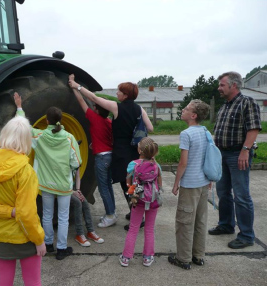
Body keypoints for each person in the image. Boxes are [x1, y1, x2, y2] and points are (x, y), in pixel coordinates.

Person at [68, 78, 154, 230]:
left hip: (121, 153)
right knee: (133, 184)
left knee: (126, 185)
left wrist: (77, 85)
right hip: (134, 152)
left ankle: (137, 217)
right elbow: (150, 128)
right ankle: (135, 211)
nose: (117, 93)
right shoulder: (140, 109)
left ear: (125, 95)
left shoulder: (116, 108)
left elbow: (94, 98)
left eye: (119, 91)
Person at [0, 116, 46, 286]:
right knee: (33, 282)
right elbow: (26, 213)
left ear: (4, 135)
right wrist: (39, 239)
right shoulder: (25, 170)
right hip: (25, 237)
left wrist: (7, 212)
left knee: (4, 282)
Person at [14, 92, 82, 260]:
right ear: (61, 119)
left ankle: (48, 243)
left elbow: (24, 127)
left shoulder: (40, 136)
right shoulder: (70, 138)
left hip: (45, 184)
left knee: (46, 215)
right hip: (64, 185)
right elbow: (76, 162)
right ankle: (61, 249)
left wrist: (19, 107)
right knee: (63, 217)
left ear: (46, 120)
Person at [209, 71, 262, 249]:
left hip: (238, 154)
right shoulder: (225, 106)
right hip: (222, 154)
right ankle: (226, 224)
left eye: (222, 85)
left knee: (241, 195)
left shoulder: (247, 102)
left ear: (234, 85)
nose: (219, 88)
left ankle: (247, 235)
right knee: (223, 192)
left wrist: (245, 150)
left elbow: (253, 128)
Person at [167, 100, 211, 270]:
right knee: (200, 220)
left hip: (190, 184)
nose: (182, 110)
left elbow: (183, 163)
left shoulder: (186, 133)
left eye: (186, 109)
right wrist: (210, 180)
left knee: (185, 222)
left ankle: (183, 258)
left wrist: (176, 183)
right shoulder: (206, 131)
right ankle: (198, 256)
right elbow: (208, 157)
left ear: (193, 116)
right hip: (203, 183)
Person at [69, 74, 117, 227]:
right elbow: (109, 139)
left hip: (101, 158)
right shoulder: (108, 122)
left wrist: (74, 87)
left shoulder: (94, 118)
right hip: (110, 156)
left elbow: (82, 102)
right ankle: (112, 212)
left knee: (103, 188)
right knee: (108, 186)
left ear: (96, 110)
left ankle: (110, 215)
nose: (93, 107)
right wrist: (94, 144)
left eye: (94, 106)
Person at [119, 137, 160, 267]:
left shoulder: (133, 164)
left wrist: (132, 191)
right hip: (153, 200)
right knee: (149, 229)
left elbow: (128, 182)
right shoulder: (156, 165)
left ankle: (126, 258)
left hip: (138, 199)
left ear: (139, 150)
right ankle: (147, 258)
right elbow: (159, 184)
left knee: (133, 228)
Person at [71, 168, 105, 246]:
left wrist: (78, 190)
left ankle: (90, 231)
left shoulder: (76, 159)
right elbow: (61, 183)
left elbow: (77, 175)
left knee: (85, 202)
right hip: (63, 189)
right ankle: (79, 234)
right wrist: (73, 192)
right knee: (78, 203)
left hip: (72, 189)